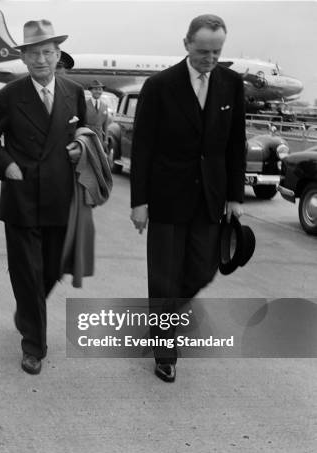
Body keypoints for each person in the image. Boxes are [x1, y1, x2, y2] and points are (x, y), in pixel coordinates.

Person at [130, 14, 245, 383]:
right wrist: (139, 202)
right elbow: (143, 148)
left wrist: (234, 194)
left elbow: (234, 144)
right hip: (166, 198)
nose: (210, 58)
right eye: (203, 51)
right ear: (186, 44)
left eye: (217, 51)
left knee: (203, 269)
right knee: (164, 277)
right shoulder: (160, 86)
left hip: (210, 198)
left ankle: (158, 319)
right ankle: (165, 352)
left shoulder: (231, 84)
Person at [0, 19, 86, 375]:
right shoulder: (10, 95)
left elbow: (87, 134)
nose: (42, 59)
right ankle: (34, 345)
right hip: (22, 196)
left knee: (54, 268)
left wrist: (81, 148)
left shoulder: (74, 92)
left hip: (62, 197)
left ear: (58, 55)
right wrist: (6, 165)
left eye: (48, 52)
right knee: (27, 274)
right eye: (34, 54)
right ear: (24, 59)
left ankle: (27, 310)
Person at [85, 79, 109, 150]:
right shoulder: (85, 104)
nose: (98, 91)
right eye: (95, 89)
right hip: (87, 135)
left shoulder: (104, 106)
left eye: (100, 89)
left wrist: (106, 140)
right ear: (91, 91)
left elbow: (105, 124)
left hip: (99, 137)